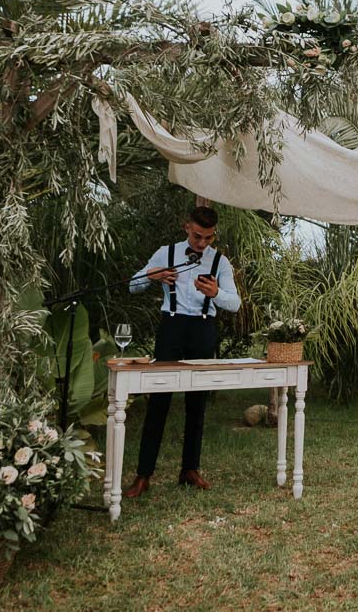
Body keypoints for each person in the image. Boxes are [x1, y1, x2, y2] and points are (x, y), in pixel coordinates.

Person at [122, 206, 241, 499]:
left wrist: (216, 294)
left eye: (208, 238)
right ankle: (143, 475)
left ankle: (190, 470)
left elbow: (235, 303)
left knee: (196, 403)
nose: (202, 243)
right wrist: (153, 275)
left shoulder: (220, 262)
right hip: (171, 328)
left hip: (203, 330)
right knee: (158, 402)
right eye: (198, 236)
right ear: (186, 226)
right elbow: (132, 286)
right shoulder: (167, 252)